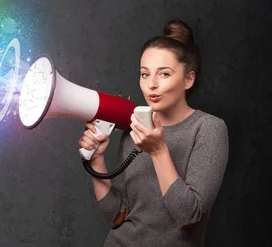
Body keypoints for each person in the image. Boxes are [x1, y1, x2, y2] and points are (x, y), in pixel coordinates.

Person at [78, 19, 229, 247]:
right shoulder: (134, 128)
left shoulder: (208, 129)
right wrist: (97, 161)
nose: (152, 85)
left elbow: (189, 217)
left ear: (189, 79)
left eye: (164, 74)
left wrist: (158, 151)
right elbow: (116, 216)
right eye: (145, 74)